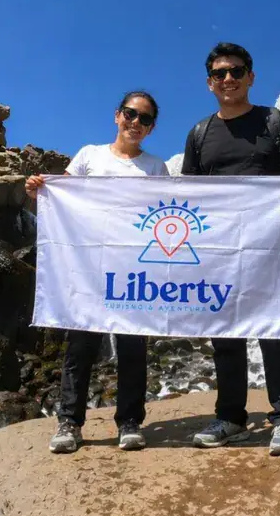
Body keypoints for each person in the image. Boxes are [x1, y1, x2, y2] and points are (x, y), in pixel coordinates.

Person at [181, 42, 280, 456]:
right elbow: (188, 197)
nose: (227, 79)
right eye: (219, 74)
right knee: (225, 335)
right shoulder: (199, 134)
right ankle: (231, 418)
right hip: (219, 248)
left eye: (235, 71)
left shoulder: (276, 122)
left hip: (270, 247)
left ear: (250, 76)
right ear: (209, 83)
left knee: (274, 330)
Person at [25, 90, 171, 454]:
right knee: (81, 346)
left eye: (145, 118)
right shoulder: (89, 155)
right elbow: (65, 196)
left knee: (133, 346)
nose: (136, 122)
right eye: (130, 114)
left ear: (151, 128)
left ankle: (130, 422)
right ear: (117, 116)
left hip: (135, 269)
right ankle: (69, 422)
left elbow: (166, 211)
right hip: (88, 268)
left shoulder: (156, 167)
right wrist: (41, 190)